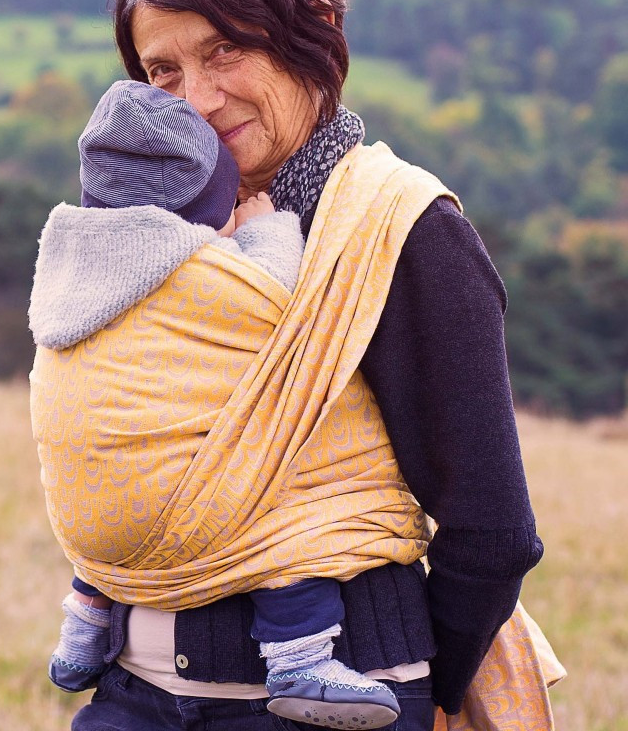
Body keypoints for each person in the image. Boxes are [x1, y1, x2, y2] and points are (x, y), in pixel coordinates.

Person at [47, 0, 545, 730]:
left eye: (227, 49)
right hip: (132, 694)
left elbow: (492, 533)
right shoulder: (151, 243)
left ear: (312, 31)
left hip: (329, 704)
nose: (198, 100)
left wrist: (424, 690)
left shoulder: (400, 232)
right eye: (163, 71)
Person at [32, 78, 402, 728]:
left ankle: (85, 630)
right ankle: (300, 660)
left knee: (115, 487)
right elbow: (275, 304)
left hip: (85, 514)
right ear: (203, 211)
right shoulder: (202, 273)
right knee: (281, 515)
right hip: (184, 508)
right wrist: (265, 229)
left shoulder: (70, 265)